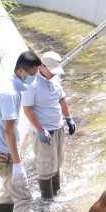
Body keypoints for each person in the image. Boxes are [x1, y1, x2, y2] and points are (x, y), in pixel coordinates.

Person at [0, 50, 43, 212]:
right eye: (32, 74)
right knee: (24, 197)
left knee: (9, 193)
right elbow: (9, 130)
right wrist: (18, 163)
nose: (34, 78)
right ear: (21, 71)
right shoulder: (10, 94)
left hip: (0, 150)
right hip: (6, 153)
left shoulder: (9, 85)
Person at [21, 50, 76, 199]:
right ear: (41, 66)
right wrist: (40, 129)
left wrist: (68, 118)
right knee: (45, 166)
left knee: (57, 160)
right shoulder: (31, 83)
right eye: (51, 71)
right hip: (43, 132)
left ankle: (56, 191)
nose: (53, 74)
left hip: (58, 127)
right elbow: (27, 109)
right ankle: (47, 199)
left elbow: (62, 98)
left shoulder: (55, 78)